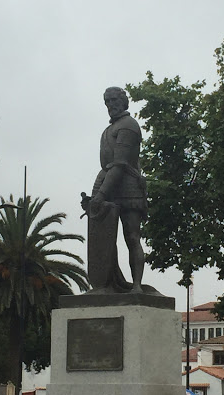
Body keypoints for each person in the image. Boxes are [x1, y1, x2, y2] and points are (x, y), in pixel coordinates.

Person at [82, 87, 147, 293]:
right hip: (109, 183)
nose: (110, 105)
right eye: (107, 101)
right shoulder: (108, 130)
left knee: (132, 236)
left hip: (128, 186)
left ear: (123, 101)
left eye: (114, 100)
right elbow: (106, 168)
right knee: (107, 238)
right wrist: (94, 196)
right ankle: (109, 283)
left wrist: (100, 195)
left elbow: (119, 164)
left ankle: (136, 285)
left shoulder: (129, 126)